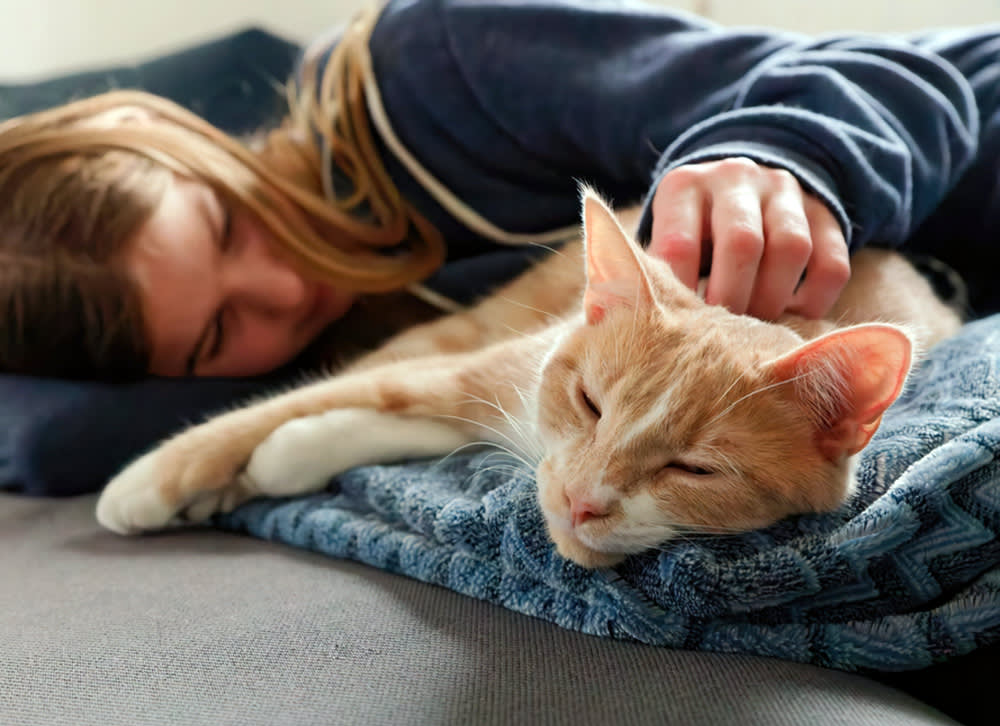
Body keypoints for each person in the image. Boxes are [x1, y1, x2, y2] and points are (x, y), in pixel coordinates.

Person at [1, 0, 995, 382]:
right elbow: (56, 440)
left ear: (151, 126)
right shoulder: (343, 348)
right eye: (217, 335)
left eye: (225, 226)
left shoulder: (434, 62)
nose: (286, 287)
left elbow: (893, 78)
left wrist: (778, 158)